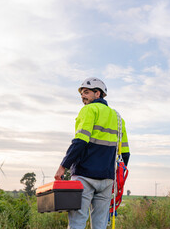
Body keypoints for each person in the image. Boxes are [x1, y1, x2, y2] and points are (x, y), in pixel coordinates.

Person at [54, 77, 130, 229]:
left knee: (77, 222)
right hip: (107, 179)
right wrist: (115, 178)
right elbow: (125, 153)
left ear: (98, 94)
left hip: (84, 176)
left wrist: (63, 167)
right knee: (100, 224)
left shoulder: (89, 110)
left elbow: (80, 141)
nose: (83, 96)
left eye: (86, 92)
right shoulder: (118, 118)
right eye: (82, 93)